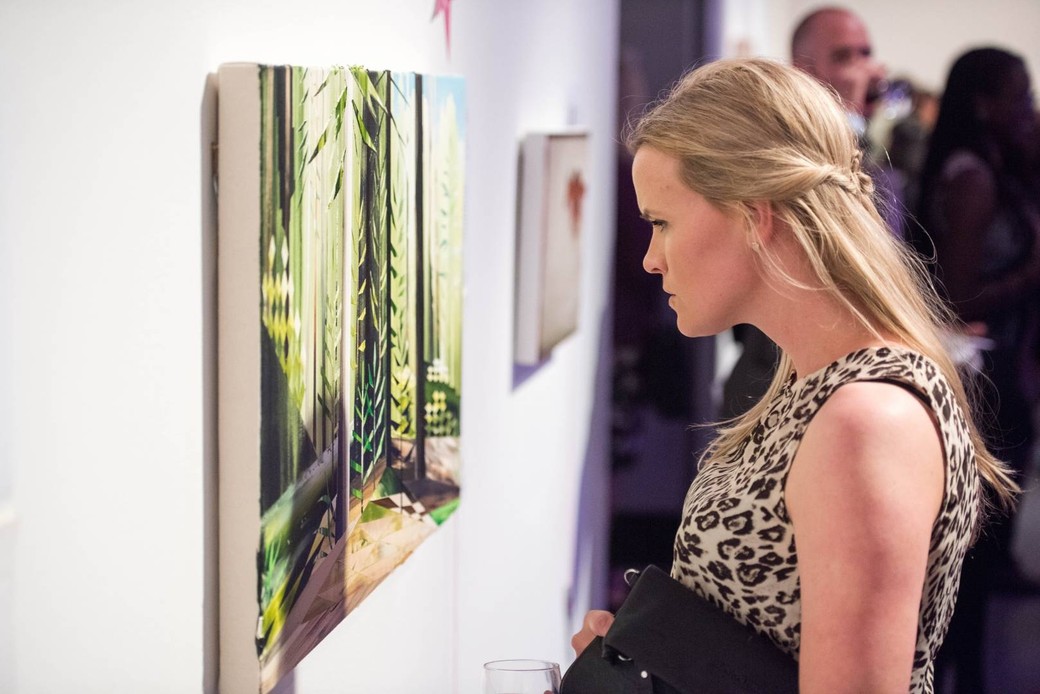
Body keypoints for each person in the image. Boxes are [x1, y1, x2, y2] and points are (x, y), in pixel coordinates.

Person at [571, 58, 1018, 692]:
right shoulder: (815, 383)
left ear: (753, 215)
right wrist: (652, 657)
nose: (650, 258)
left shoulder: (864, 420)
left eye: (662, 223)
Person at [914, 47, 1040, 694]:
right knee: (972, 547)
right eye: (1020, 95)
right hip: (981, 377)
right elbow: (957, 297)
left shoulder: (986, 169)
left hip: (995, 373)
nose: (1029, 109)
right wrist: (1030, 274)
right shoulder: (973, 179)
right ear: (985, 104)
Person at [721, 6, 893, 421]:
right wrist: (848, 115)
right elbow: (840, 223)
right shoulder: (775, 143)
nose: (863, 69)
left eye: (865, 54)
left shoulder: (865, 137)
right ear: (803, 69)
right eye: (844, 56)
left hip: (843, 379)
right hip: (776, 386)